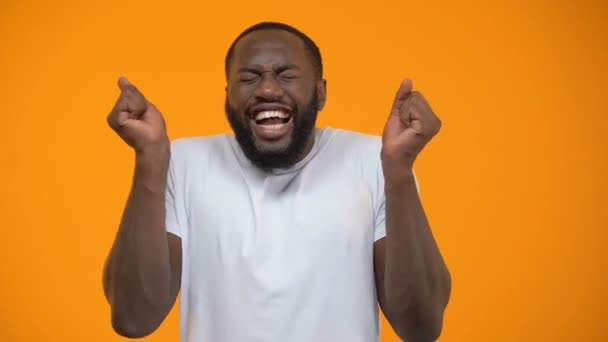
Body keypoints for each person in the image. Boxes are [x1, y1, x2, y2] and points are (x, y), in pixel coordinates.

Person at [102, 21, 451, 342]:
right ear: (228, 96)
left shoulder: (375, 160)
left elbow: (421, 326)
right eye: (249, 77)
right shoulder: (183, 162)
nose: (267, 88)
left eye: (286, 75)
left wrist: (400, 170)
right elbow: (134, 318)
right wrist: (149, 157)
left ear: (321, 92)